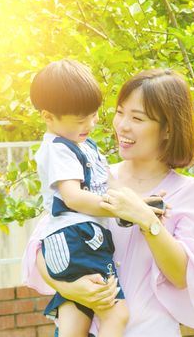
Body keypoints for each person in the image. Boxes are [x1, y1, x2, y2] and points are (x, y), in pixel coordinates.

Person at [23, 68, 194, 337]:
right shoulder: (93, 177)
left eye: (137, 118)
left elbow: (183, 275)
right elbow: (41, 245)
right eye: (120, 112)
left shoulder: (189, 192)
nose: (122, 125)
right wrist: (69, 288)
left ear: (168, 129)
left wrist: (147, 220)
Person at [29, 59, 128, 337]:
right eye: (80, 120)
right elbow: (73, 197)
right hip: (78, 238)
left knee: (75, 322)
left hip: (75, 241)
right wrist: (123, 210)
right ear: (48, 116)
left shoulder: (81, 143)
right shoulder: (59, 148)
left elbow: (113, 183)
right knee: (117, 314)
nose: (91, 124)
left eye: (94, 115)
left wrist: (141, 203)